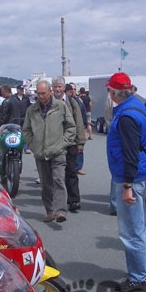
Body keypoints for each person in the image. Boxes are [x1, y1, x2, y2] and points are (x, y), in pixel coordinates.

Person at [105, 72, 146, 292]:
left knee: (131, 231)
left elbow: (130, 153)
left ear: (114, 92)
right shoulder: (136, 106)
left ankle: (138, 277)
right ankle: (143, 268)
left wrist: (127, 186)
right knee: (138, 227)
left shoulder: (126, 116)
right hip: (138, 174)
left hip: (130, 177)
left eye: (110, 90)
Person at [23, 80, 75, 223]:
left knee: (58, 180)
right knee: (46, 184)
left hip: (58, 152)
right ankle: (50, 211)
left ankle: (60, 211)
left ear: (50, 92)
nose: (41, 96)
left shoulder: (60, 107)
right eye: (38, 94)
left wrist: (63, 144)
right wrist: (32, 145)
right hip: (40, 153)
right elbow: (26, 130)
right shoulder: (32, 110)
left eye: (43, 93)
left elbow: (71, 127)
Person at [63, 83, 87, 211]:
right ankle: (57, 201)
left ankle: (74, 200)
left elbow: (79, 122)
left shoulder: (73, 102)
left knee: (71, 171)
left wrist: (80, 143)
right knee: (55, 174)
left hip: (71, 142)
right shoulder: (50, 102)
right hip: (54, 142)